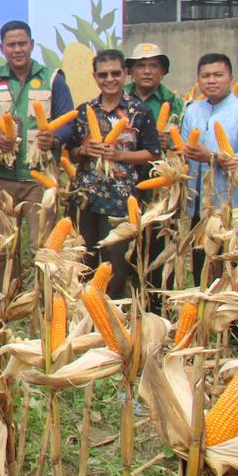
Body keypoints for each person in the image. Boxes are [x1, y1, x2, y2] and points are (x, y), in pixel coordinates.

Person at [0, 20, 75, 276]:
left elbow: (69, 120)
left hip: (39, 178)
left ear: (32, 44)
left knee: (42, 246)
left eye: (22, 43)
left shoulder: (52, 79)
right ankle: (5, 304)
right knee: (1, 247)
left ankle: (44, 309)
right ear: (2, 48)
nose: (17, 49)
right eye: (12, 45)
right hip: (1, 178)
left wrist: (53, 138)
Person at [66, 49, 160, 298]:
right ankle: (84, 313)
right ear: (94, 77)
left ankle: (112, 315)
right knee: (83, 261)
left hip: (121, 202)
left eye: (115, 73)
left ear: (125, 74)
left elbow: (153, 153)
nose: (110, 79)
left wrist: (119, 155)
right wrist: (85, 149)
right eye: (103, 74)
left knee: (115, 266)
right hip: (85, 199)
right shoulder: (84, 110)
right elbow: (72, 153)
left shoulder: (140, 111)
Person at [181, 52, 238, 284]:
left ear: (231, 77)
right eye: (206, 76)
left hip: (230, 206)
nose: (212, 81)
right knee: (202, 268)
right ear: (198, 80)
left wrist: (212, 157)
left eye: (218, 75)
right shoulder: (192, 111)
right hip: (198, 206)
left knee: (230, 270)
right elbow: (183, 150)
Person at [125, 42, 184, 152]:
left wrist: (169, 144)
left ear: (162, 71)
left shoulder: (178, 105)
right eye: (141, 66)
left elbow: (186, 145)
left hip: (163, 167)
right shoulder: (118, 99)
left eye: (153, 66)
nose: (147, 71)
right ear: (131, 71)